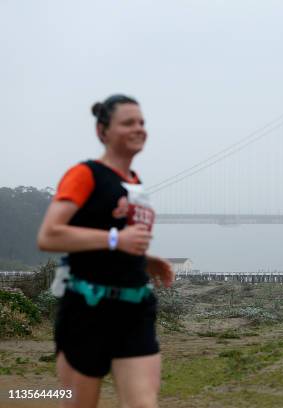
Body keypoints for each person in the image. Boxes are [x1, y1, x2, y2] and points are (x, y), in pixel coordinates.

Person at [38, 94, 174, 408]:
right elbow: (50, 235)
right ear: (103, 132)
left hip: (135, 310)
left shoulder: (136, 183)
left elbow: (122, 238)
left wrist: (143, 258)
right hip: (87, 309)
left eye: (142, 122)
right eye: (128, 123)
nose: (139, 128)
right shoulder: (84, 175)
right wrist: (116, 241)